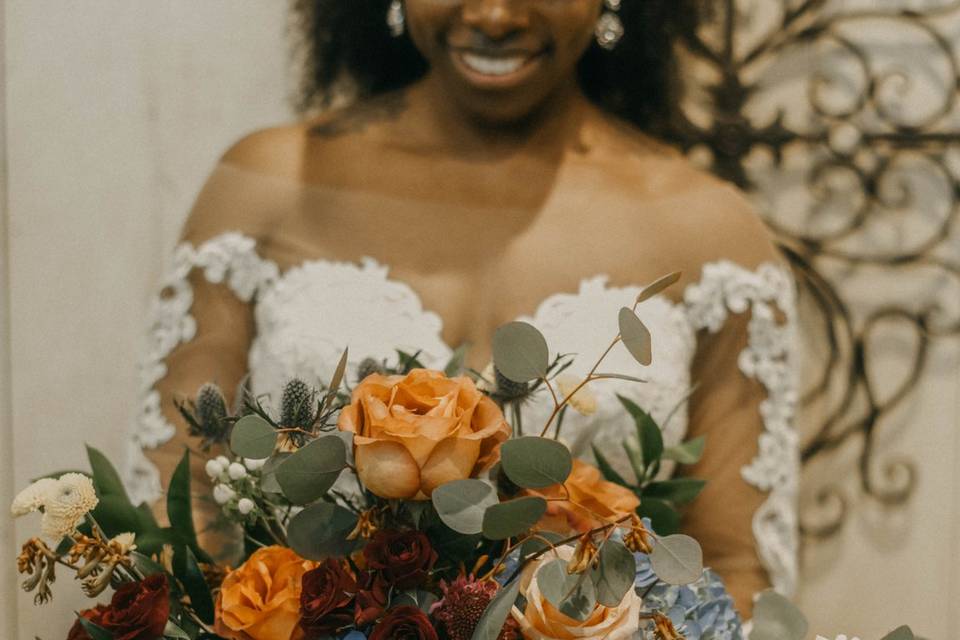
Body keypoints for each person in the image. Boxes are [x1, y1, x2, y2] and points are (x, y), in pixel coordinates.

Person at [127, 0, 799, 616]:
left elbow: (735, 570)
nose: (494, 14)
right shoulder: (267, 185)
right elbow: (178, 511)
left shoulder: (709, 232)